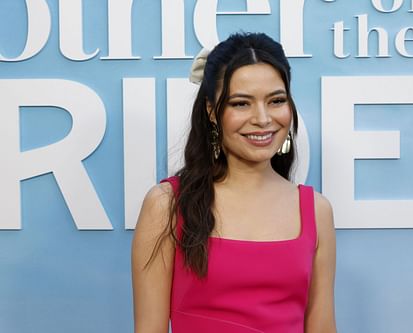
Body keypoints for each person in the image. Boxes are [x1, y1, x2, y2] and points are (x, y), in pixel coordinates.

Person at [131, 32, 337, 333]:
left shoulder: (316, 210)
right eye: (241, 104)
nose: (263, 118)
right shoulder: (167, 205)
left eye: (276, 100)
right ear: (212, 112)